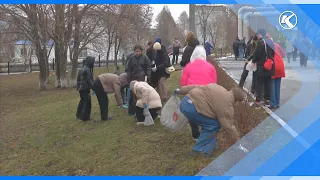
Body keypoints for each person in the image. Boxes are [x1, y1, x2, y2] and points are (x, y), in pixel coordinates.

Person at [174, 84, 246, 156]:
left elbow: (196, 87)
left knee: (210, 121)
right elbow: (228, 127)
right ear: (237, 101)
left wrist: (180, 91)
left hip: (185, 102)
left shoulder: (218, 87)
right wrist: (238, 142)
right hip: (193, 109)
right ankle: (199, 150)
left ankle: (209, 146)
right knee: (213, 125)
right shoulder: (227, 105)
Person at [180, 45, 217, 142]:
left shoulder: (188, 67)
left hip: (192, 93)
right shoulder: (210, 67)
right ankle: (205, 131)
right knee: (205, 112)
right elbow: (214, 83)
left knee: (193, 112)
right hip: (206, 94)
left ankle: (195, 135)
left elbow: (183, 83)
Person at [125, 45, 152, 116]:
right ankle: (131, 111)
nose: (138, 53)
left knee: (142, 94)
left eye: (139, 51)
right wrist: (129, 78)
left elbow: (148, 67)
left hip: (142, 78)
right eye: (136, 51)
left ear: (141, 51)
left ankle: (143, 109)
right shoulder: (131, 58)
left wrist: (148, 76)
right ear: (134, 51)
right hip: (133, 79)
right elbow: (128, 69)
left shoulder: (145, 58)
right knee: (132, 95)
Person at [252, 29, 275, 107]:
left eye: (258, 34)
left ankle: (259, 100)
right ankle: (267, 100)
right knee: (268, 83)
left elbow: (257, 55)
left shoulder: (261, 42)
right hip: (270, 66)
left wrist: (253, 61)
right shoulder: (271, 42)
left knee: (260, 83)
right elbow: (273, 53)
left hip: (262, 66)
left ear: (260, 34)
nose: (257, 36)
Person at [76, 56, 95, 121]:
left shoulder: (82, 69)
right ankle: (84, 117)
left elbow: (78, 79)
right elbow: (89, 80)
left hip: (81, 89)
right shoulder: (87, 70)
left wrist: (78, 87)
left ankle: (79, 115)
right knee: (86, 103)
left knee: (82, 101)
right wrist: (94, 87)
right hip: (85, 88)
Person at [270, 42, 286, 109]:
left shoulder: (266, 44)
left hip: (273, 66)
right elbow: (283, 55)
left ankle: (273, 104)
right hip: (280, 66)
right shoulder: (276, 44)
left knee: (272, 85)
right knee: (277, 85)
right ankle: (277, 102)